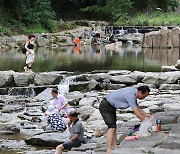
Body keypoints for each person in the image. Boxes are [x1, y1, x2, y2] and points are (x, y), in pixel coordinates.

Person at [99, 86, 151, 154]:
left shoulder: (134, 92)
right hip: (106, 106)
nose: (144, 98)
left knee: (114, 127)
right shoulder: (130, 95)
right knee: (111, 127)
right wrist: (145, 122)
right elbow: (136, 112)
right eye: (144, 96)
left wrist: (146, 114)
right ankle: (108, 150)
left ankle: (115, 147)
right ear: (140, 92)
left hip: (111, 106)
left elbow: (136, 106)